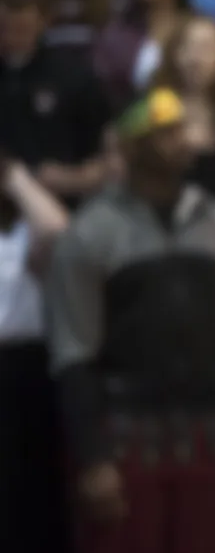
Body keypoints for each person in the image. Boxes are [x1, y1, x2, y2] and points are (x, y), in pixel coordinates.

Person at [46, 87, 215, 553]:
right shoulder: (89, 233)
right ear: (130, 148)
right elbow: (72, 356)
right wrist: (92, 457)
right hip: (125, 434)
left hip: (207, 428)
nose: (180, 141)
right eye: (164, 133)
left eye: (180, 130)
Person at [0, 151, 71, 553]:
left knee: (31, 486)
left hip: (26, 367)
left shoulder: (23, 232)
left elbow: (59, 227)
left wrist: (14, 176)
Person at [0, 0, 111, 204]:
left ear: (44, 21)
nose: (10, 38)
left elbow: (107, 158)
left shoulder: (73, 76)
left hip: (61, 204)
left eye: (21, 29)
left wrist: (73, 178)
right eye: (3, 27)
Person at [150, 14, 215, 194]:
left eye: (206, 48)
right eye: (187, 47)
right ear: (173, 53)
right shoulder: (149, 108)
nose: (195, 58)